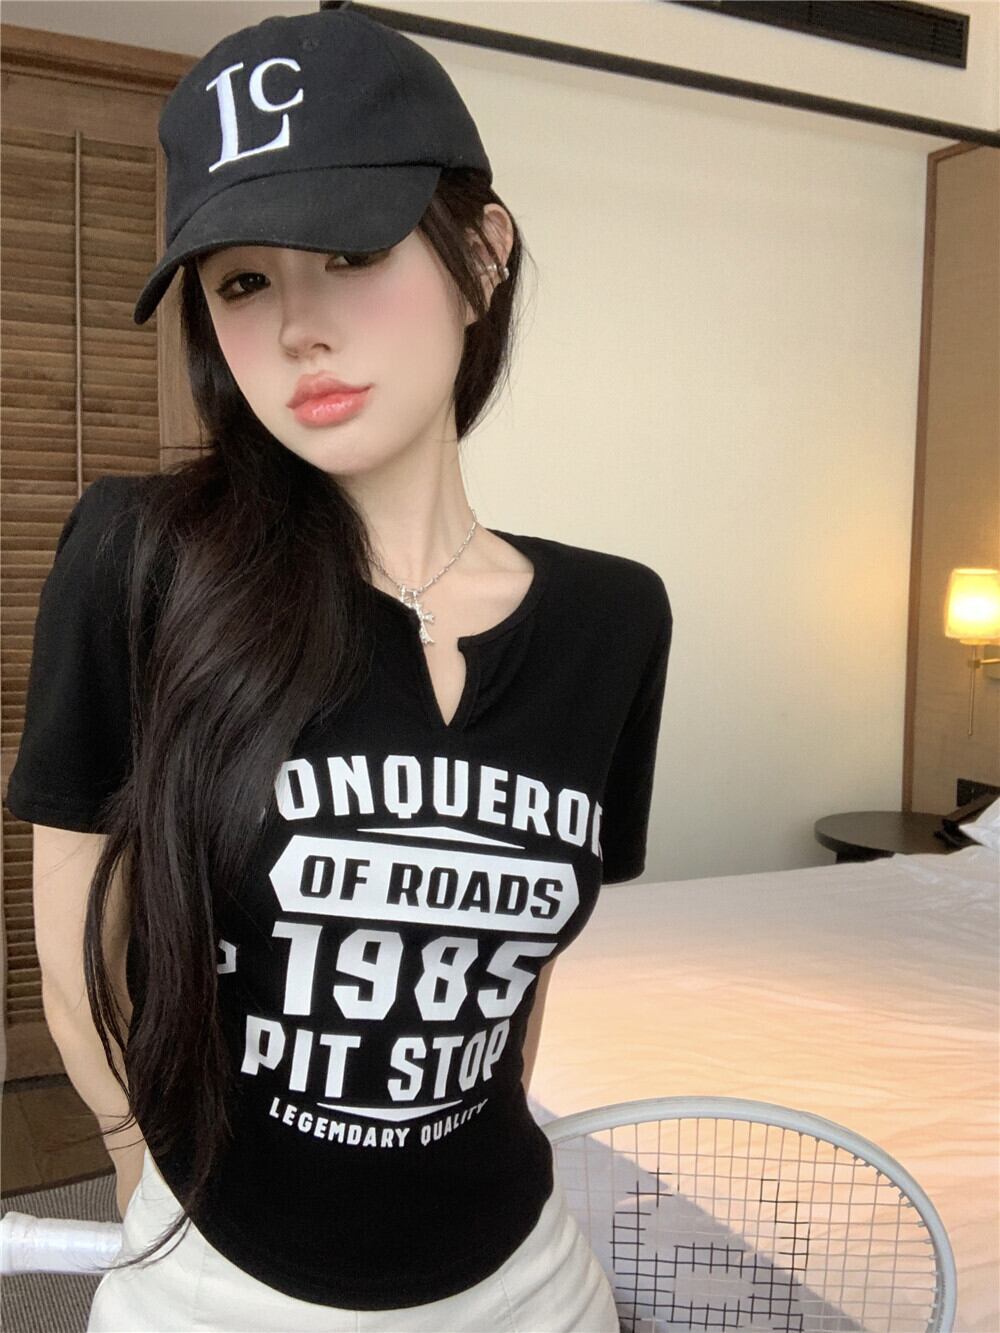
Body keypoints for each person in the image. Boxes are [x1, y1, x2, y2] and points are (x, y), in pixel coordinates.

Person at [5, 5, 673, 1330]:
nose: (297, 329)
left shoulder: (615, 619)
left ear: (483, 255)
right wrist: (142, 1176)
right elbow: (79, 938)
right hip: (218, 1274)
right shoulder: (140, 559)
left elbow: (520, 975)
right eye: (242, 283)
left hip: (525, 1279)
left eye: (352, 252)